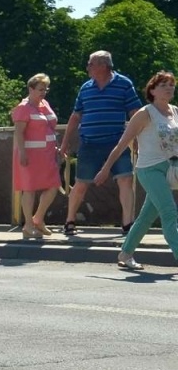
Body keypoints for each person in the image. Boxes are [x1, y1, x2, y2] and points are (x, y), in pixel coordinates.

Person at [97, 71, 178, 272]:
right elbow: (122, 143)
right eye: (163, 85)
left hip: (171, 170)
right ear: (152, 90)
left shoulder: (175, 111)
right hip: (149, 169)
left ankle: (125, 253)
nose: (169, 88)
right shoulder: (145, 113)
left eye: (171, 84)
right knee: (169, 212)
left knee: (146, 217)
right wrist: (106, 168)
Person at [62, 51, 144, 237]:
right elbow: (76, 116)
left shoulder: (124, 84)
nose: (87, 68)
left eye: (90, 64)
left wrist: (137, 139)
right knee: (81, 183)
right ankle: (69, 221)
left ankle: (127, 224)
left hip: (117, 143)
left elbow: (135, 113)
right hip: (89, 143)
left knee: (126, 179)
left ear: (103, 66)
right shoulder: (86, 88)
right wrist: (66, 141)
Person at [11, 74, 62, 239]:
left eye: (46, 89)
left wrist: (55, 147)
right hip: (30, 155)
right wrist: (22, 153)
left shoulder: (44, 104)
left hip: (47, 154)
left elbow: (48, 128)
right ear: (30, 89)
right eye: (40, 89)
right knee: (29, 189)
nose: (44, 92)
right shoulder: (23, 107)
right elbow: (19, 132)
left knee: (53, 186)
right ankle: (28, 225)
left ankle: (38, 219)